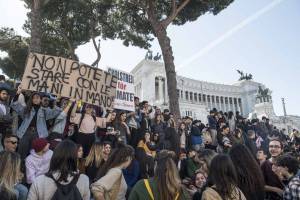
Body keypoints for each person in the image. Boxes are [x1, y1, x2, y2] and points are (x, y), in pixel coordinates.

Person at [11, 89, 61, 160]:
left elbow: (55, 112)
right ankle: (19, 167)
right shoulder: (27, 109)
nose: (35, 100)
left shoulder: (44, 110)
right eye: (33, 98)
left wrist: (57, 101)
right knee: (21, 151)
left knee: (34, 153)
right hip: (26, 132)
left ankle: (29, 169)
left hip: (38, 134)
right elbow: (14, 105)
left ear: (41, 99)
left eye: (37, 98)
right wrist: (17, 93)